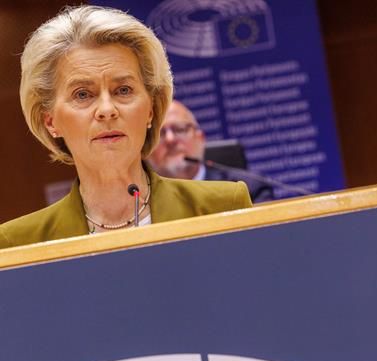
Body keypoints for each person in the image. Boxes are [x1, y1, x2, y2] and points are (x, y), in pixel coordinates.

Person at [0, 6, 251, 249]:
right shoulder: (19, 242)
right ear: (51, 121)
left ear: (151, 110)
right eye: (83, 94)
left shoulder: (224, 206)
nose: (107, 109)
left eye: (123, 90)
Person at [147, 100, 273, 203]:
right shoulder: (142, 203)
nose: (170, 139)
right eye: (159, 134)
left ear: (200, 138)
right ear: (147, 150)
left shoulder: (249, 189)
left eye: (180, 129)